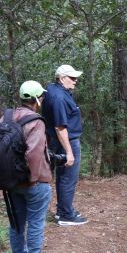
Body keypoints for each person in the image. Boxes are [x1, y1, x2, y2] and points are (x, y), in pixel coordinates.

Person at [1, 81, 52, 253]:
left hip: (12, 182)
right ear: (37, 99)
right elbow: (33, 155)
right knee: (35, 224)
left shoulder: (5, 118)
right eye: (42, 97)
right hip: (34, 183)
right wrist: (31, 181)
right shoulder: (36, 122)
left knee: (16, 224)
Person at [42, 64, 87, 226]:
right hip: (65, 140)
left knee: (61, 176)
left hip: (54, 140)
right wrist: (69, 151)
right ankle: (66, 215)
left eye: (76, 78)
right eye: (72, 78)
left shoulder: (52, 89)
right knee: (68, 177)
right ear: (62, 79)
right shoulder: (59, 97)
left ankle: (63, 210)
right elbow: (60, 127)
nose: (75, 81)